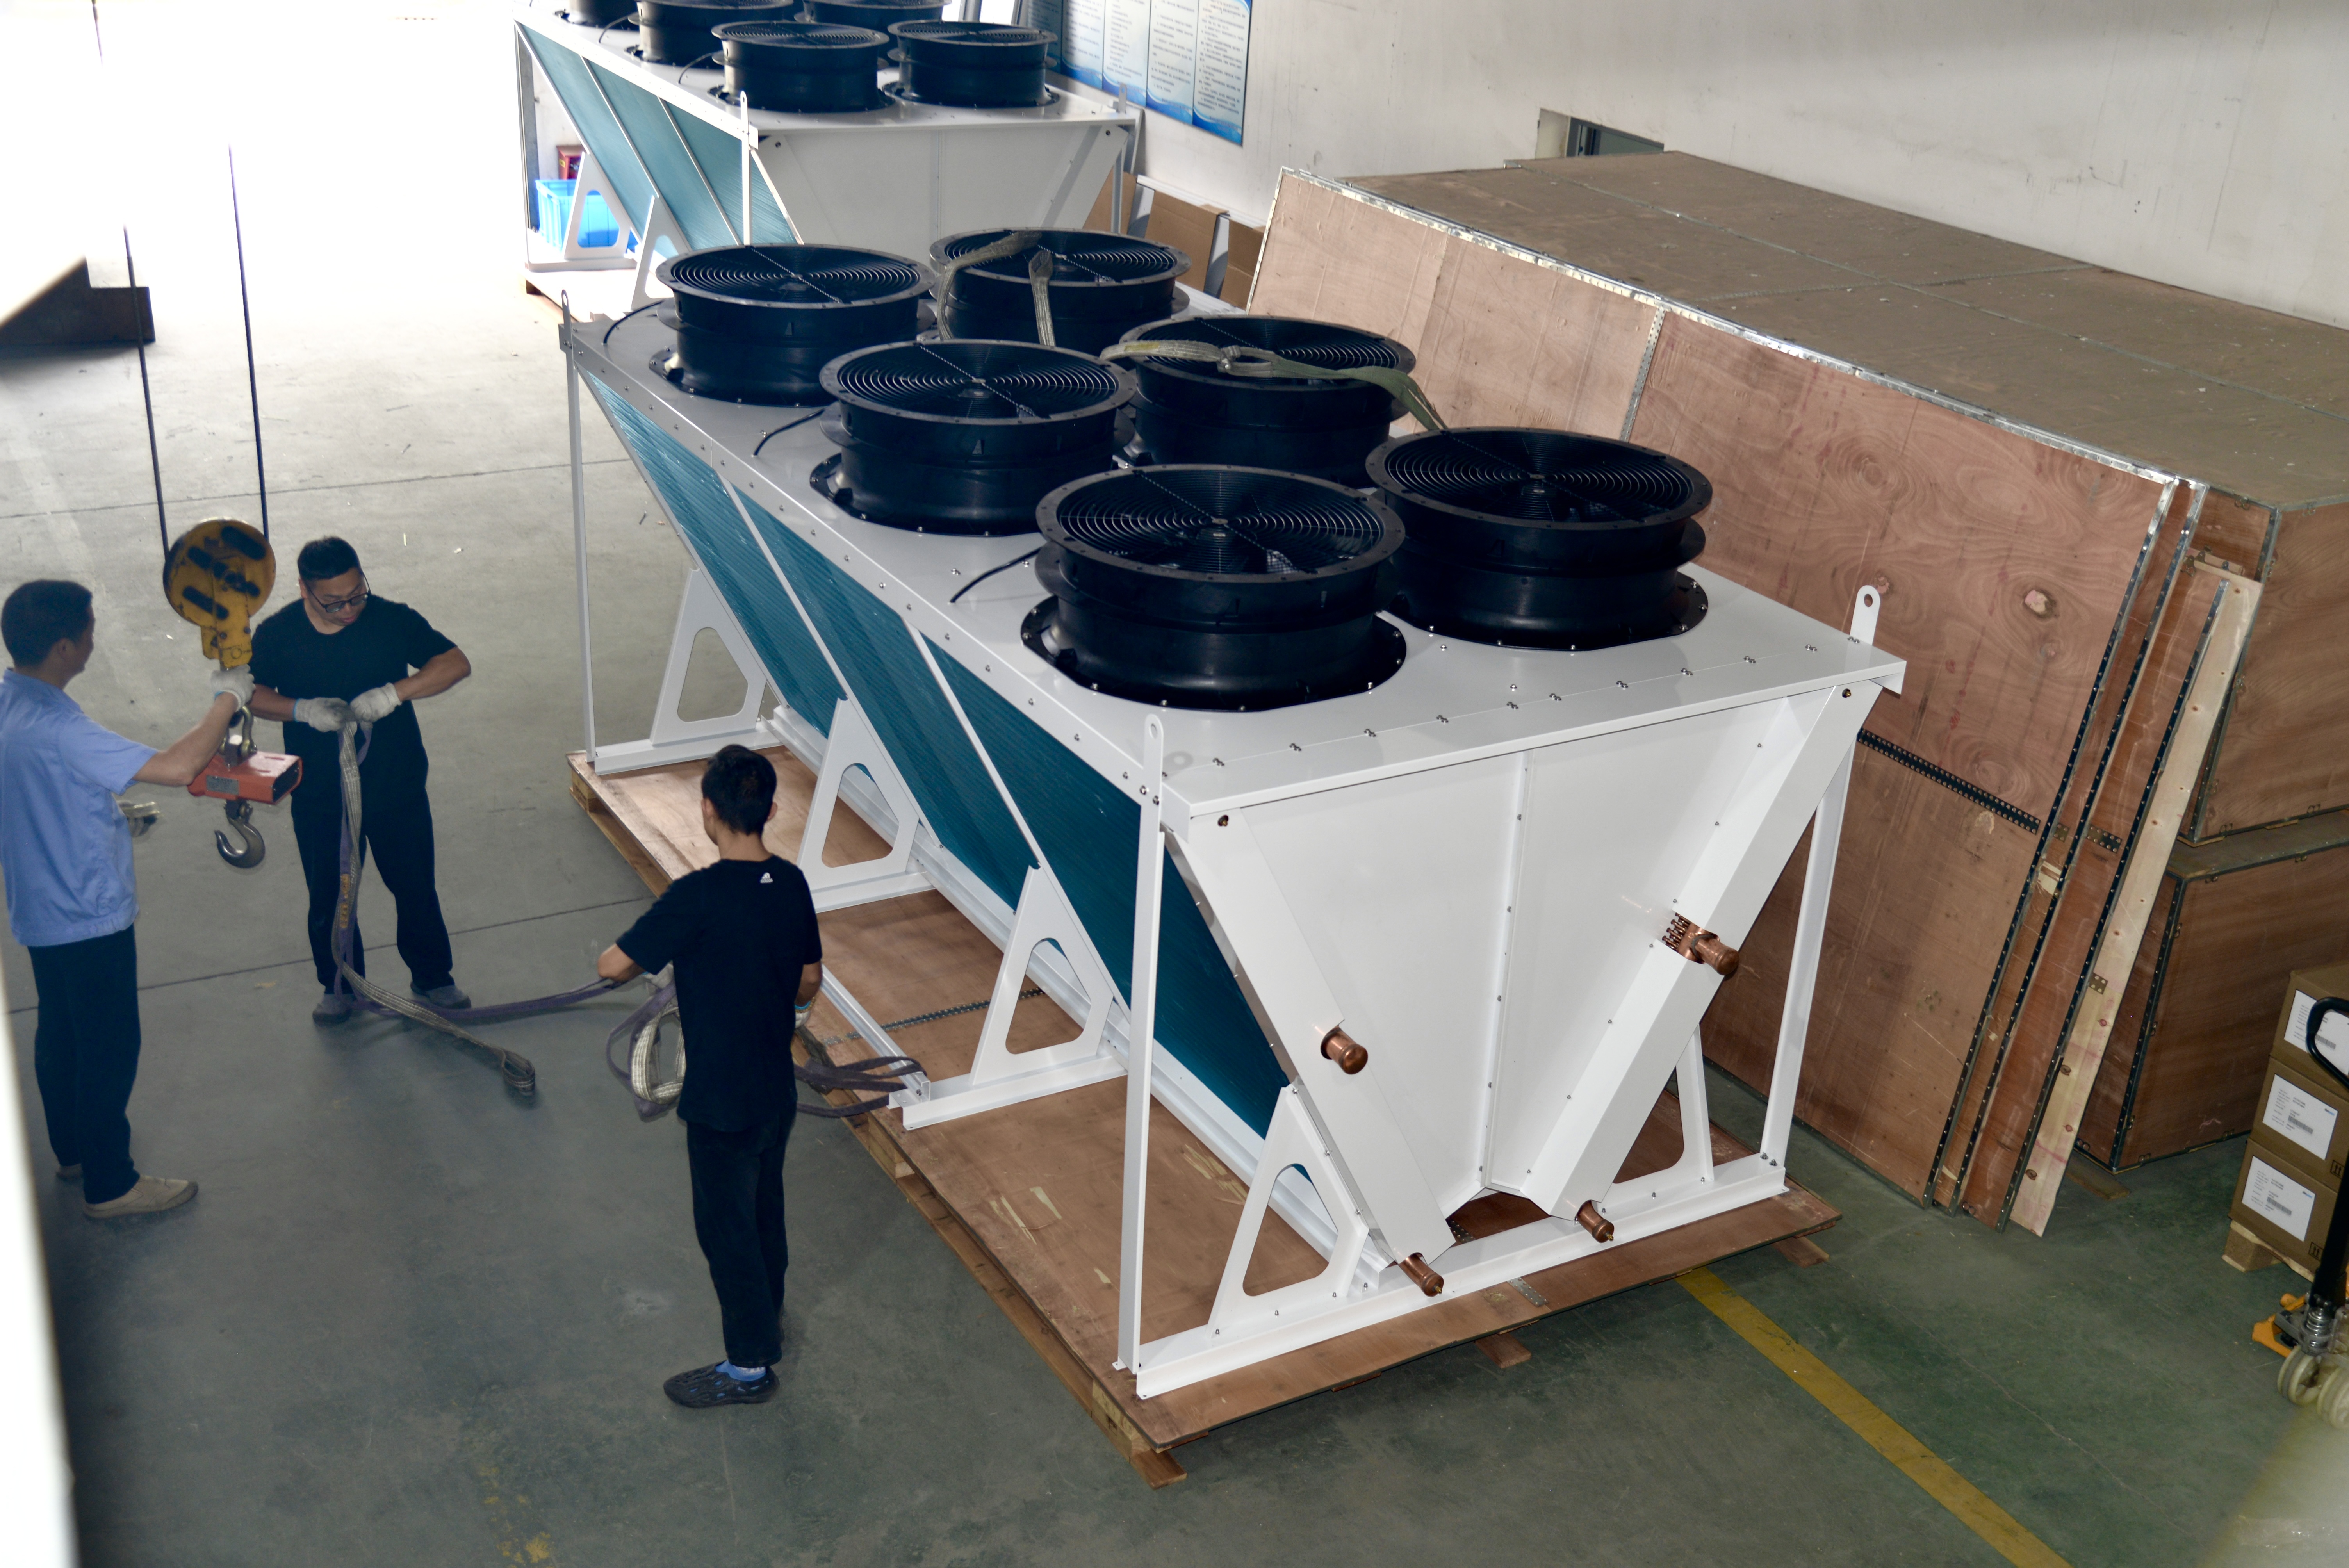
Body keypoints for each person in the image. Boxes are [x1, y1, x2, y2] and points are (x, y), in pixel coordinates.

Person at [0, 580, 253, 1217]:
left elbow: (41, 787)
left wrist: (101, 817)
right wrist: (229, 697)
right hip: (88, 914)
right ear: (64, 647)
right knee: (109, 1047)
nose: (95, 637)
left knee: (61, 1031)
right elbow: (178, 767)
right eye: (89, 629)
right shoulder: (61, 728)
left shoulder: (10, 703)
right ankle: (111, 1184)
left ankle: (75, 1152)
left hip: (38, 904)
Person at [596, 745, 823, 1409]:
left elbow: (613, 966)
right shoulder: (792, 883)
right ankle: (768, 1314)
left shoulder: (694, 897)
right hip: (774, 1089)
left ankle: (748, 1367)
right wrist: (791, 1008)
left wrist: (668, 953)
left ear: (707, 811)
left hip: (721, 1102)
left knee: (727, 1232)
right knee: (765, 1211)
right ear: (771, 811)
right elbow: (809, 977)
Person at [247, 537, 472, 1023]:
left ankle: (433, 976)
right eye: (334, 602)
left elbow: (454, 663)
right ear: (305, 589)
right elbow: (248, 692)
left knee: (415, 886)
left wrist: (396, 693)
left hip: (396, 786)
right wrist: (300, 710)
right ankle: (341, 984)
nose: (349, 609)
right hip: (321, 794)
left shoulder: (390, 620)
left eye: (356, 595)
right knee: (330, 896)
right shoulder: (278, 634)